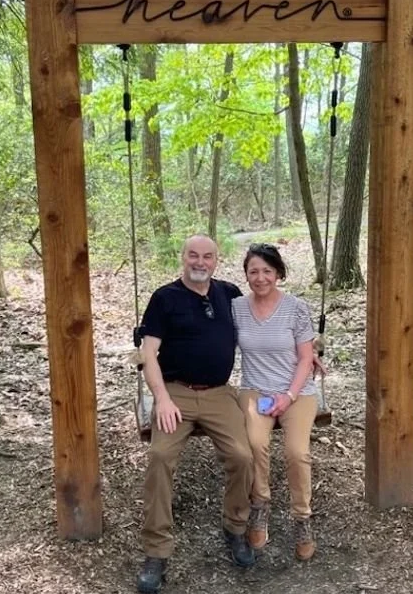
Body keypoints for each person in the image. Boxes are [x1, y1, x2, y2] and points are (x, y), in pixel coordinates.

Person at [136, 235, 255, 594]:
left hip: (219, 393)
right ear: (182, 258)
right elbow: (148, 353)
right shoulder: (165, 298)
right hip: (175, 393)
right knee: (159, 457)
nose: (199, 262)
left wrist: (307, 348)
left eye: (207, 256)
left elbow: (266, 327)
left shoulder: (231, 294)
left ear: (217, 260)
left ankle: (235, 528)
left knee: (242, 455)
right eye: (193, 255)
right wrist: (162, 399)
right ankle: (156, 551)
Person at [231, 243, 319, 561]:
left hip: (297, 391)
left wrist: (289, 396)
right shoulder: (237, 307)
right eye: (253, 271)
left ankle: (302, 519)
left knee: (297, 452)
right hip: (255, 389)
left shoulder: (296, 307)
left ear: (278, 274)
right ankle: (260, 506)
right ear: (246, 275)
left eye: (267, 271)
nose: (260, 277)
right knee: (255, 444)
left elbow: (306, 356)